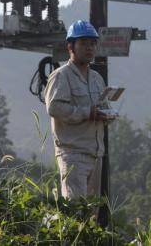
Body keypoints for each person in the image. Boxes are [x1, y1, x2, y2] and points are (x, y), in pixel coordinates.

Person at [45, 20, 109, 199]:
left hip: (95, 154)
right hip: (73, 154)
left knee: (91, 217)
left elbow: (102, 106)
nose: (89, 48)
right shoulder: (61, 76)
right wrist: (87, 112)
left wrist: (107, 114)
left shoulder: (96, 78)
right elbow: (55, 107)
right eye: (83, 43)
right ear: (70, 47)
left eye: (92, 44)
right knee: (75, 211)